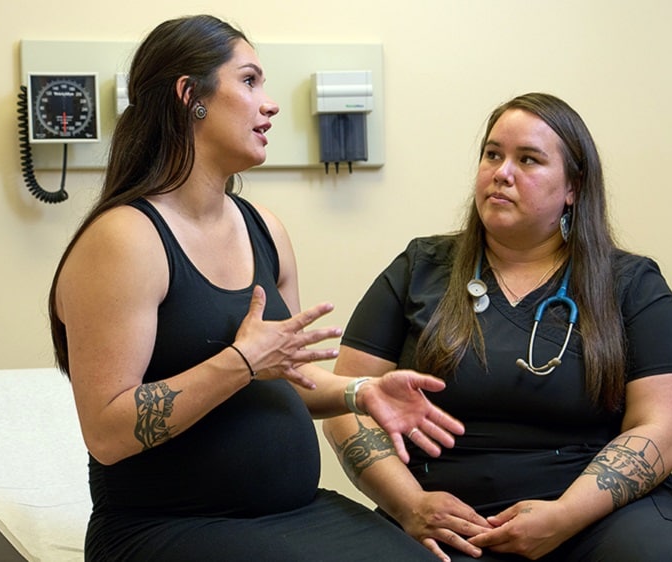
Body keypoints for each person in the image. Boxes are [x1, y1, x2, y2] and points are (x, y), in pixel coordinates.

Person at [47, 15, 463, 561]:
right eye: (249, 81)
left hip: (296, 514)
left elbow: (284, 373)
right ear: (190, 95)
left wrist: (358, 392)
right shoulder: (125, 239)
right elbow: (105, 430)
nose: (269, 104)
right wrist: (240, 362)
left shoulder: (264, 229)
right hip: (168, 528)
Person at [323, 93, 672, 561]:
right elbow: (346, 402)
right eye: (492, 155)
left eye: (528, 160)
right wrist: (409, 505)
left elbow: (663, 429)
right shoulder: (420, 269)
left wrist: (564, 516)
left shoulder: (630, 284)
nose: (501, 173)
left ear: (573, 187)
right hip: (442, 514)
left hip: (596, 514)